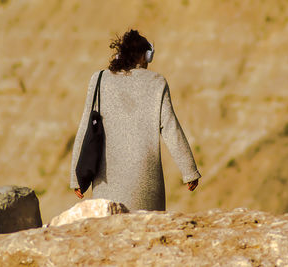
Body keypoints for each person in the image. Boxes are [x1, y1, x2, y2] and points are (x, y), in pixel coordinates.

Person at [69, 29, 201, 211]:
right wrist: (189, 171)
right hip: (146, 180)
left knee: (110, 233)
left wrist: (77, 178)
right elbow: (171, 128)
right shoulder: (157, 82)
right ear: (146, 56)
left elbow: (85, 128)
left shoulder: (99, 80)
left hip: (107, 181)